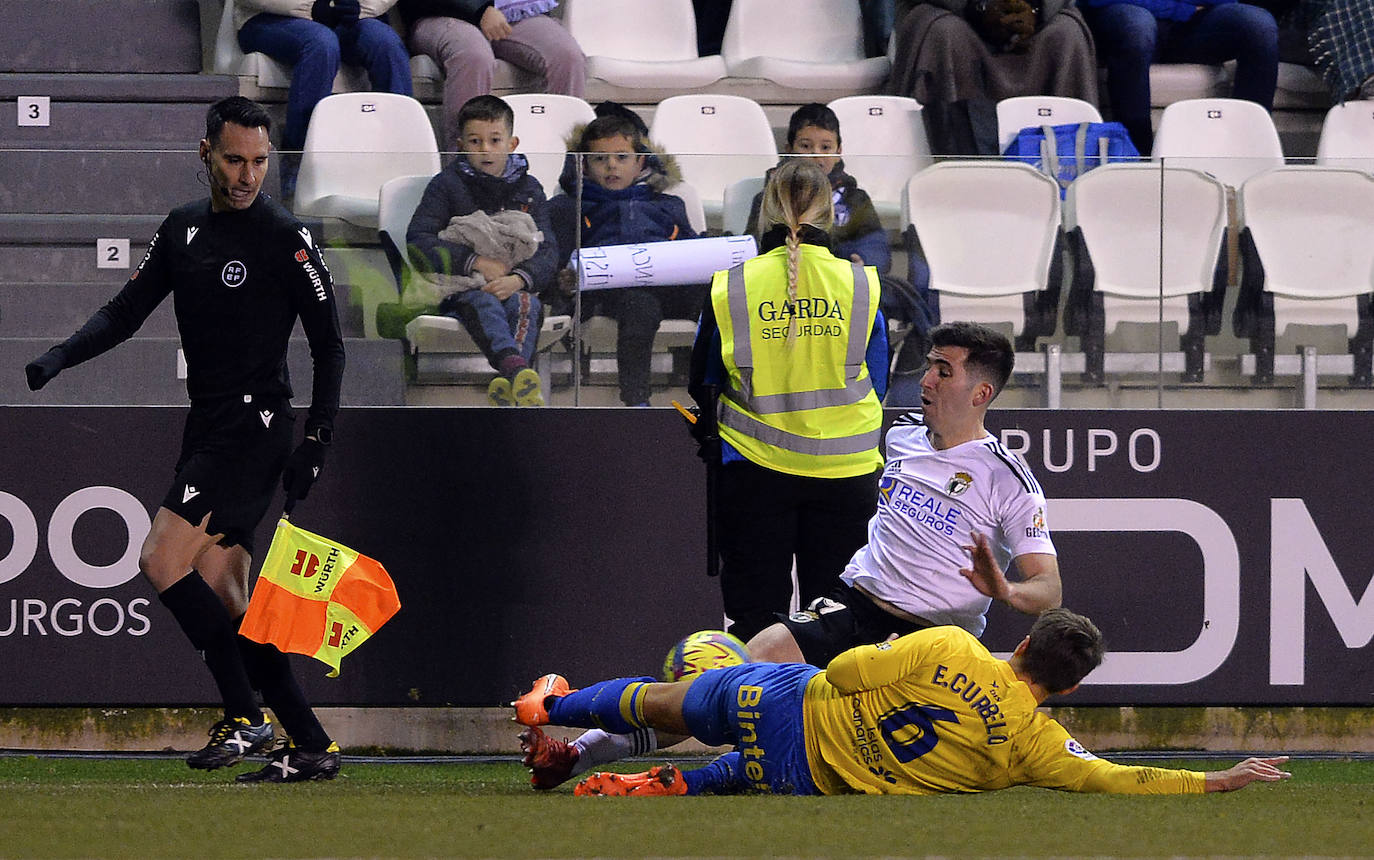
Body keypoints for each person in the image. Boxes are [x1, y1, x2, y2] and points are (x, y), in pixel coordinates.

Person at [519, 321, 1059, 790]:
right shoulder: (902, 438)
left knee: (823, 739)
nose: (927, 380)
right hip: (854, 606)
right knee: (734, 678)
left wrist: (1006, 591)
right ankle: (576, 755)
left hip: (929, 642)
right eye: (929, 366)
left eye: (944, 370)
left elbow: (1048, 589)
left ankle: (679, 780)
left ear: (981, 391)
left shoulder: (1009, 480)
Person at [24, 97, 347, 783]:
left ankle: (245, 717)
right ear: (205, 152)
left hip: (256, 427)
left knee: (159, 558)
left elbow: (330, 345)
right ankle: (313, 743)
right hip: (208, 423)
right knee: (232, 601)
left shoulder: (286, 237)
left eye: (259, 161)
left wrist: (316, 438)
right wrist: (60, 355)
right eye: (234, 159)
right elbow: (125, 312)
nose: (247, 175)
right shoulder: (182, 230)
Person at [513, 608, 1293, 796]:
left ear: (1020, 643)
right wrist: (1220, 779)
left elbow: (849, 671)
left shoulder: (954, 645)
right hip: (809, 776)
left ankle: (556, 706)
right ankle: (660, 785)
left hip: (789, 702)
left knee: (687, 673)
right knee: (739, 771)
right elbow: (1119, 778)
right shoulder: (1035, 746)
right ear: (1072, 688)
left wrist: (878, 662)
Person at [689, 158, 889, 644]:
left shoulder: (733, 286)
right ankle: (829, 723)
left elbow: (704, 380)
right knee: (838, 629)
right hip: (847, 475)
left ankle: (754, 720)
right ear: (830, 216)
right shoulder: (861, 285)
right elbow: (878, 382)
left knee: (755, 627)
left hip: (754, 475)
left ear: (765, 213)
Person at [406, 94, 557, 406]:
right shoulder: (445, 185)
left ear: (512, 143)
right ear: (461, 143)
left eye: (494, 140)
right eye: (475, 141)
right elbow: (418, 240)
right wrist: (475, 261)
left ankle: (510, 381)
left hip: (513, 284)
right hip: (460, 288)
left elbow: (549, 250)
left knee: (527, 304)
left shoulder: (531, 189)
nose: (485, 150)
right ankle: (518, 374)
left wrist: (519, 278)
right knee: (483, 302)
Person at [548, 111, 701, 407]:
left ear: (640, 162)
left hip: (670, 287)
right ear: (584, 166)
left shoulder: (669, 205)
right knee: (639, 306)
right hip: (610, 294)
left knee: (716, 299)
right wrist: (565, 283)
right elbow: (557, 264)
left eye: (621, 157)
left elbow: (689, 249)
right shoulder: (570, 207)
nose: (611, 166)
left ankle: (721, 387)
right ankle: (636, 402)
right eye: (600, 159)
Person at [235, 0, 414, 196]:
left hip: (350, 16)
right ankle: (298, 160)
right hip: (272, 17)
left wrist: (361, 6)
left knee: (386, 44)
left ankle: (402, 158)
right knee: (321, 44)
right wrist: (309, 6)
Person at [888, 0, 1099, 151]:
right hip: (950, 9)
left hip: (1034, 15)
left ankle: (1069, 161)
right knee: (944, 34)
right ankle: (951, 161)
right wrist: (980, 8)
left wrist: (1036, 10)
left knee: (1067, 34)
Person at [1079, 0, 1280, 152]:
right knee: (1137, 27)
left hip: (1190, 27)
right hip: (1127, 19)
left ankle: (1249, 151)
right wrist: (1178, 9)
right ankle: (1137, 158)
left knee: (1259, 25)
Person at [398, 0, 587, 146]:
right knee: (474, 56)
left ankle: (566, 162)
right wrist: (480, 9)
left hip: (512, 11)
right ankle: (462, 167)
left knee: (568, 57)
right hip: (440, 13)